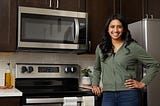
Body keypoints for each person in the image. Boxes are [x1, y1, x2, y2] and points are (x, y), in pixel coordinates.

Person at [91, 14, 160, 106]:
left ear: (123, 29)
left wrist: (142, 83)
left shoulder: (133, 47)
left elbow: (154, 65)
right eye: (112, 27)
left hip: (129, 95)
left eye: (119, 27)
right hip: (108, 95)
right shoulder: (100, 48)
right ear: (108, 29)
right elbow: (97, 68)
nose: (115, 30)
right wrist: (95, 85)